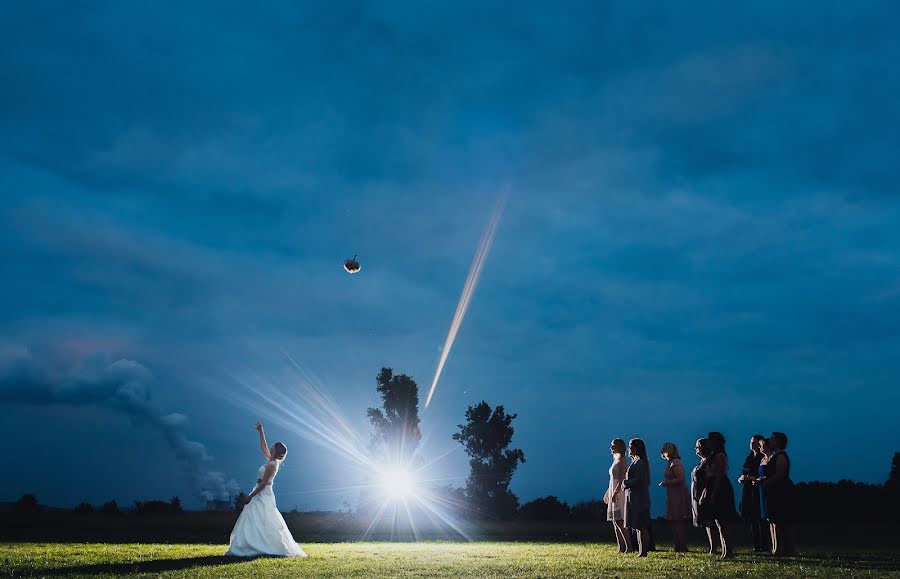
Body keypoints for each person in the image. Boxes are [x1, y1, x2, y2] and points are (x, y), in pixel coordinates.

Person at [226, 422, 308, 558]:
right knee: (253, 518)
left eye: (273, 446)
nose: (270, 447)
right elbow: (263, 446)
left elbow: (264, 484)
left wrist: (250, 496)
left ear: (276, 450)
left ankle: (267, 545)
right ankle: (250, 543)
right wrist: (261, 431)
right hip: (259, 491)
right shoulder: (270, 459)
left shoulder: (272, 465)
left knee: (265, 518)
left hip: (263, 494)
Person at [760, 432, 795, 556]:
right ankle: (776, 548)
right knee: (773, 520)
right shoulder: (775, 456)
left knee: (780, 520)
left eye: (773, 439)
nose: (770, 441)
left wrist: (766, 482)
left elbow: (780, 474)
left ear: (778, 442)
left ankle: (784, 548)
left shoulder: (781, 456)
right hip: (773, 490)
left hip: (780, 491)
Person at [704, 431, 737, 558]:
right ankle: (725, 550)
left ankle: (728, 550)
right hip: (712, 486)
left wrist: (714, 493)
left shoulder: (720, 456)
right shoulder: (712, 455)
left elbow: (720, 475)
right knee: (718, 521)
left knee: (722, 520)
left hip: (720, 487)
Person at [659, 442, 691, 552]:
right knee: (674, 520)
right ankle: (677, 545)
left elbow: (681, 478)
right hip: (672, 494)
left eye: (664, 449)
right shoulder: (670, 463)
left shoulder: (675, 463)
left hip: (678, 494)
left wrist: (667, 483)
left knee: (678, 520)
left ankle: (682, 545)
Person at [622, 438, 651, 556]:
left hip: (639, 499)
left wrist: (625, 483)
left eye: (630, 447)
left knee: (641, 526)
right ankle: (641, 551)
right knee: (638, 526)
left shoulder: (640, 463)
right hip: (634, 498)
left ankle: (643, 551)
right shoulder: (636, 462)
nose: (628, 449)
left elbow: (639, 480)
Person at [738, 434, 767, 552]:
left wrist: (749, 478)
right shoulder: (749, 457)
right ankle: (756, 544)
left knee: (759, 518)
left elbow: (760, 474)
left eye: (754, 442)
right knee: (751, 518)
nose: (751, 444)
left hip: (757, 489)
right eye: (751, 442)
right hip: (747, 489)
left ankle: (764, 544)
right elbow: (744, 471)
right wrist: (741, 478)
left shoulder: (762, 458)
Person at [603, 438, 632, 553]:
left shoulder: (623, 461)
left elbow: (621, 479)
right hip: (613, 490)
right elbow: (613, 479)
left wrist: (615, 492)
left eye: (613, 445)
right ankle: (621, 547)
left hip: (619, 492)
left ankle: (629, 546)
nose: (611, 447)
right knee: (615, 521)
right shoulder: (615, 459)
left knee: (620, 520)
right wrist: (608, 492)